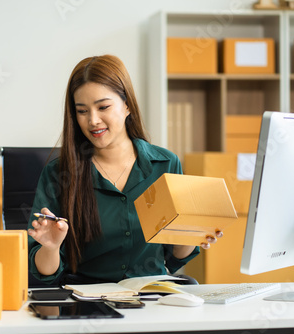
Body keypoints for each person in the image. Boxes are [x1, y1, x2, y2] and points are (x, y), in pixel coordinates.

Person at [27, 55, 222, 285]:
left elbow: (175, 257)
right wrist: (51, 247)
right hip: (88, 301)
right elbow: (45, 272)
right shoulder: (59, 174)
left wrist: (191, 233)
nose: (93, 120)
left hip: (150, 298)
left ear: (127, 104)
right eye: (82, 111)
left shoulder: (165, 165)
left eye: (103, 107)